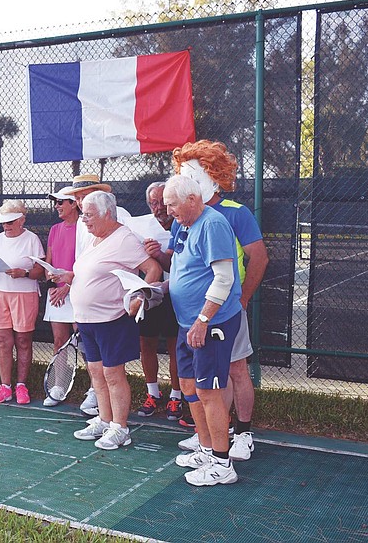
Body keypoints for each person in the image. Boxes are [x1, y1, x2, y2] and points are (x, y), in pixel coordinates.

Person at [148, 140, 268, 461]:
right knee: (205, 381)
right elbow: (177, 260)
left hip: (222, 311)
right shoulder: (182, 217)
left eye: (194, 172)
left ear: (213, 174)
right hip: (194, 315)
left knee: (236, 369)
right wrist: (157, 278)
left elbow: (258, 258)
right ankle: (215, 437)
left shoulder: (233, 214)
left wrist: (242, 298)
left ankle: (242, 433)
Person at [161, 173, 243, 486]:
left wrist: (203, 320)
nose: (169, 211)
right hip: (187, 323)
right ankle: (207, 450)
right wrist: (155, 290)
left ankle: (222, 464)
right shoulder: (183, 223)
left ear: (193, 199)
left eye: (172, 204)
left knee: (209, 391)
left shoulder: (213, 224)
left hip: (210, 324)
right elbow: (183, 271)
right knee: (189, 387)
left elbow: (224, 278)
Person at [65, 191, 161, 450]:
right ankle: (105, 420)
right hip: (87, 320)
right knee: (96, 372)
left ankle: (120, 428)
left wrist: (139, 296)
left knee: (113, 374)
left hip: (112, 318)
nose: (84, 219)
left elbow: (153, 269)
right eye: (83, 214)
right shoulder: (95, 238)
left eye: (89, 214)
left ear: (107, 213)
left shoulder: (124, 239)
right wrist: (67, 277)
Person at [58, 174, 120, 417]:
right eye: (77, 198)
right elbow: (82, 261)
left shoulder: (116, 218)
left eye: (83, 196)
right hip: (86, 303)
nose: (80, 201)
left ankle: (116, 419)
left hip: (111, 306)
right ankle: (100, 404)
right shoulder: (83, 223)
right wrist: (71, 282)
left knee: (113, 368)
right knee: (94, 359)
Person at [0, 200, 44, 405]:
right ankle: (5, 387)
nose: (6, 226)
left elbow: (40, 271)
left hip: (25, 295)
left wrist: (25, 273)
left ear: (22, 220)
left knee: (23, 340)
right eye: (4, 222)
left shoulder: (32, 239)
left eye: (10, 222)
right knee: (3, 341)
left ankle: (21, 385)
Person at [137, 181, 182, 420]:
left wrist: (158, 254)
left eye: (162, 202)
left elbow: (176, 265)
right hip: (150, 293)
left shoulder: (184, 224)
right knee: (146, 343)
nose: (159, 208)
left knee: (175, 346)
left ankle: (176, 396)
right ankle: (153, 393)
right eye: (153, 203)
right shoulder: (142, 227)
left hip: (177, 295)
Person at [42, 186, 77, 406]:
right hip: (56, 293)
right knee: (59, 341)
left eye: (60, 202)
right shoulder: (55, 229)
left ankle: (95, 389)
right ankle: (58, 384)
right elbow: (49, 262)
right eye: (55, 202)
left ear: (74, 204)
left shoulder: (85, 228)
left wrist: (68, 287)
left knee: (84, 343)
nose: (57, 206)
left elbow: (86, 263)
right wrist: (53, 285)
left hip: (78, 291)